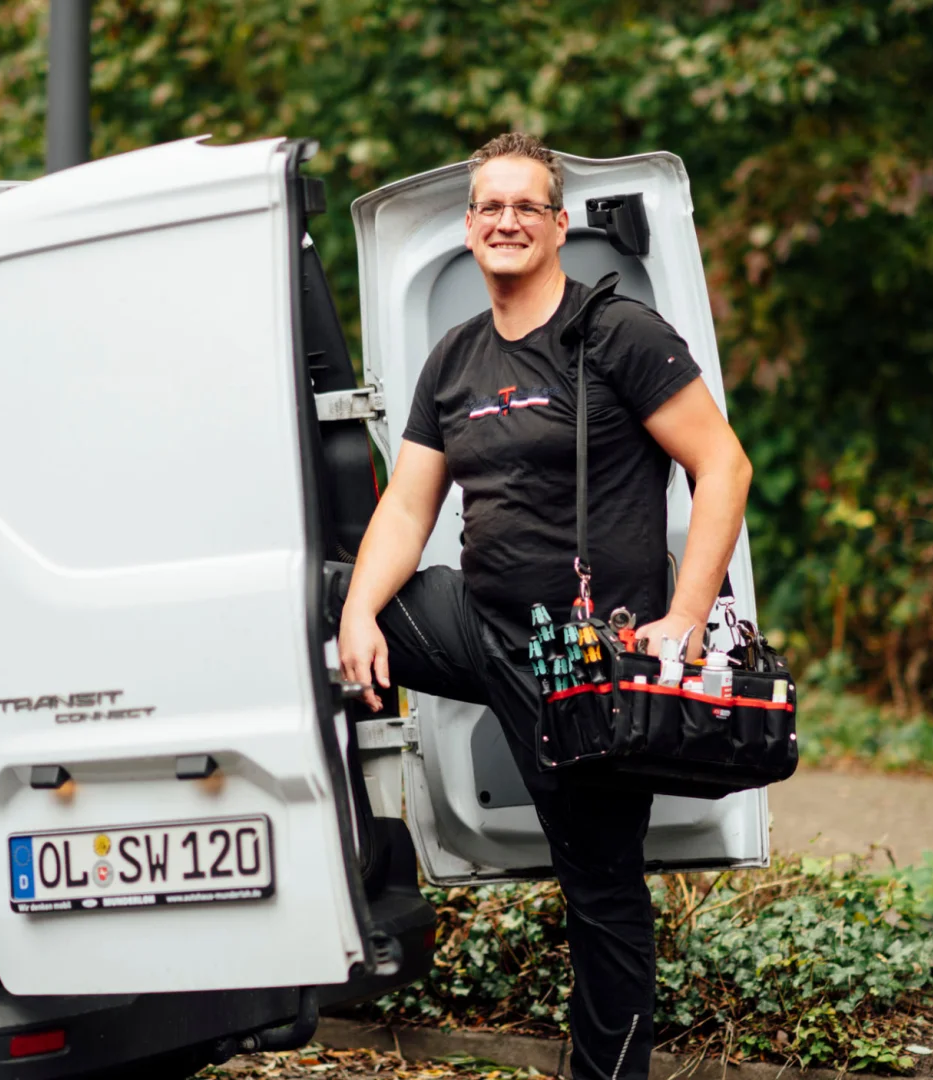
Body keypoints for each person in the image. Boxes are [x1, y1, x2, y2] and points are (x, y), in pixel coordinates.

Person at [332, 132, 754, 1079]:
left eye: (527, 206)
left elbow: (723, 465)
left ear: (559, 226)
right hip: (480, 628)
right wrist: (361, 616)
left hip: (591, 664)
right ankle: (344, 863)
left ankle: (606, 1074)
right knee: (322, 606)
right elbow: (408, 505)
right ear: (469, 226)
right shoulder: (455, 357)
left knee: (599, 887)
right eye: (490, 206)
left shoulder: (620, 335)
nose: (507, 220)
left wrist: (683, 622)